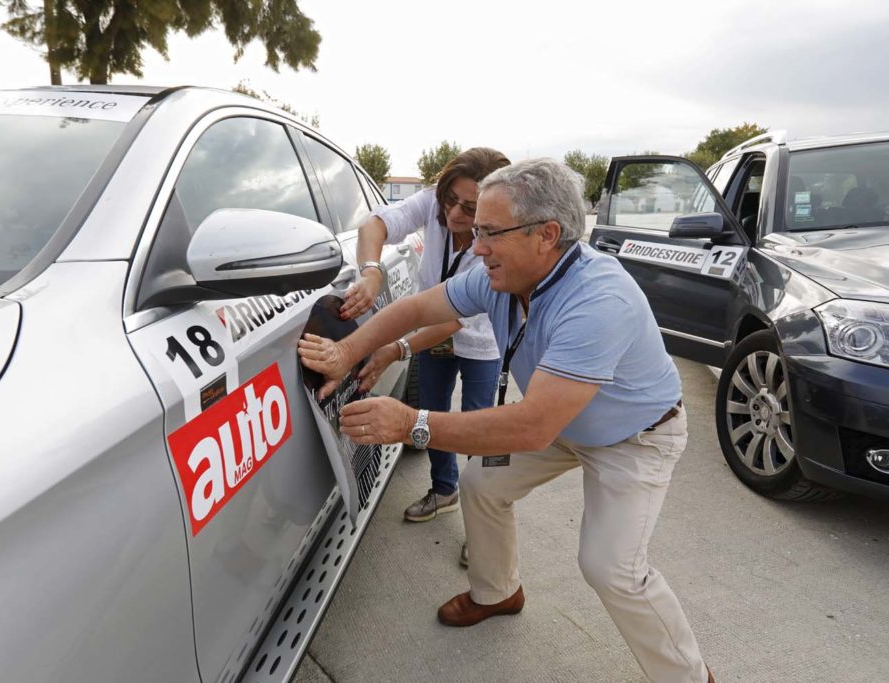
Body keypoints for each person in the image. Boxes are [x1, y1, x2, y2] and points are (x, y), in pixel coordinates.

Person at [299, 158, 714, 683]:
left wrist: (411, 423)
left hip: (633, 438)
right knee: (481, 482)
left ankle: (690, 676)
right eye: (475, 232)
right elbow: (416, 309)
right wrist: (347, 352)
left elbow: (531, 427)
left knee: (612, 569)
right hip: (562, 421)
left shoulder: (598, 300)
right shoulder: (500, 276)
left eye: (490, 233)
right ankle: (498, 593)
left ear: (547, 234)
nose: (475, 248)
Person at [343, 147, 509, 527]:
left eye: (469, 209)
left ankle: (485, 520)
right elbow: (375, 225)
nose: (453, 214)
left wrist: (396, 349)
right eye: (450, 199)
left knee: (479, 427)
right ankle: (444, 490)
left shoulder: (496, 245)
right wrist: (371, 270)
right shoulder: (433, 207)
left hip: (481, 343)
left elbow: (454, 321)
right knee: (430, 414)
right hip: (435, 339)